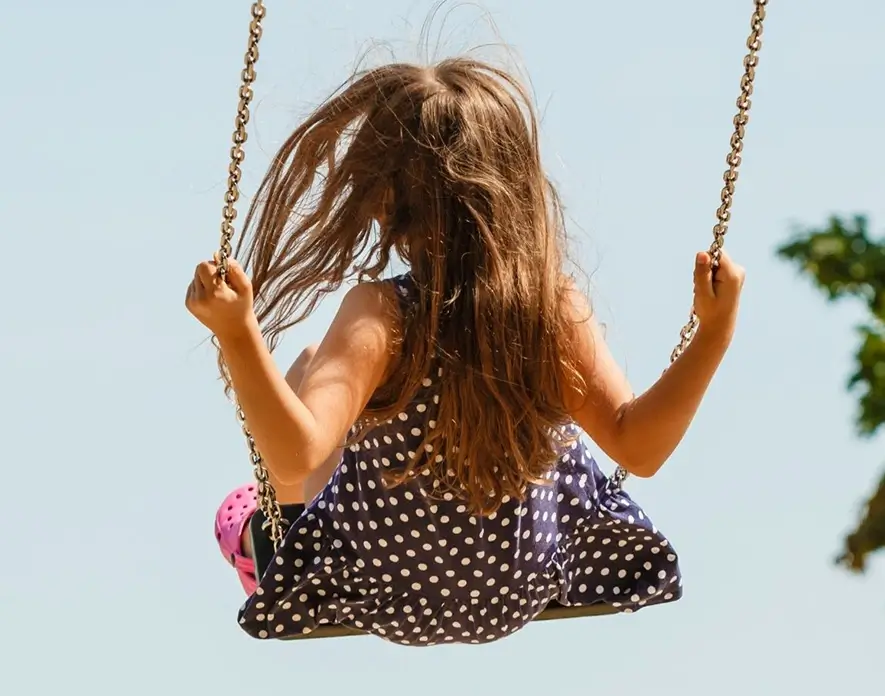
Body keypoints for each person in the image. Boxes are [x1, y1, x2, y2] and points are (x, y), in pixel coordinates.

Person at [186, 58, 744, 646]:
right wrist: (714, 333)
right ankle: (279, 528)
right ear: (522, 187)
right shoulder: (549, 310)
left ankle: (267, 537)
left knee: (304, 373)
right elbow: (640, 447)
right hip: (523, 584)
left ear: (384, 200)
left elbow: (298, 453)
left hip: (384, 588)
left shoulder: (382, 315)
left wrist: (239, 334)